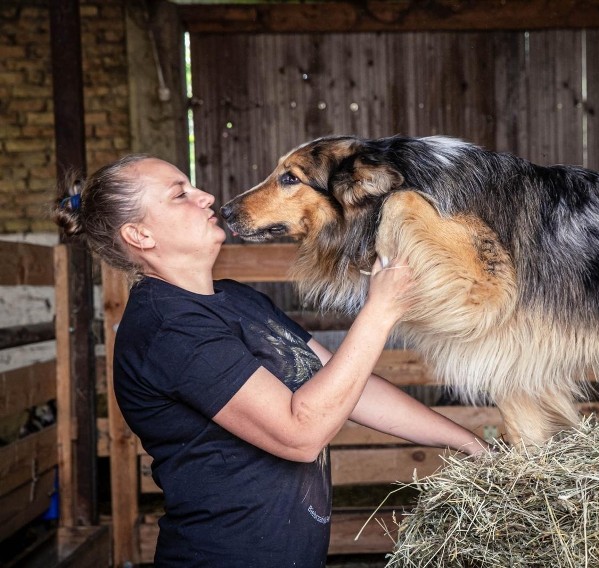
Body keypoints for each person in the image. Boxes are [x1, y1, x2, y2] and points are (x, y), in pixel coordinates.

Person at [52, 154, 488, 567]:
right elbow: (300, 434)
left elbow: (353, 389)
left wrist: (468, 442)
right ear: (140, 235)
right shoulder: (167, 330)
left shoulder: (239, 300)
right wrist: (381, 310)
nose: (205, 196)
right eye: (179, 194)